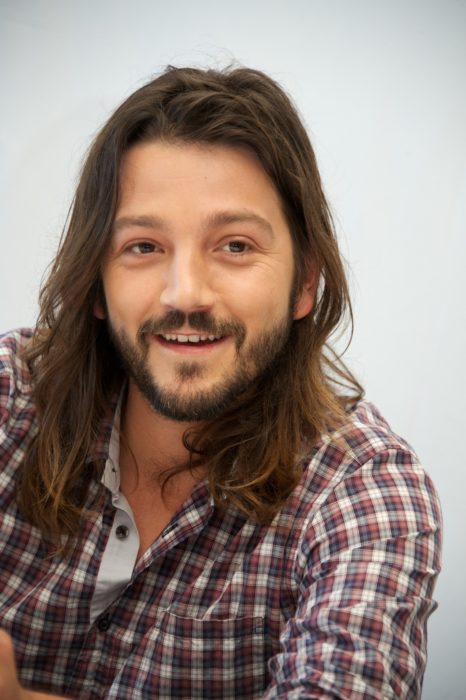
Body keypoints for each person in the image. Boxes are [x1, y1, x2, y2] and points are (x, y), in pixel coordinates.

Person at [0, 65, 441, 700]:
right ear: (96, 281)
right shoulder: (12, 398)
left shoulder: (365, 494)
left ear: (305, 282)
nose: (186, 294)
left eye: (234, 246)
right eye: (143, 247)